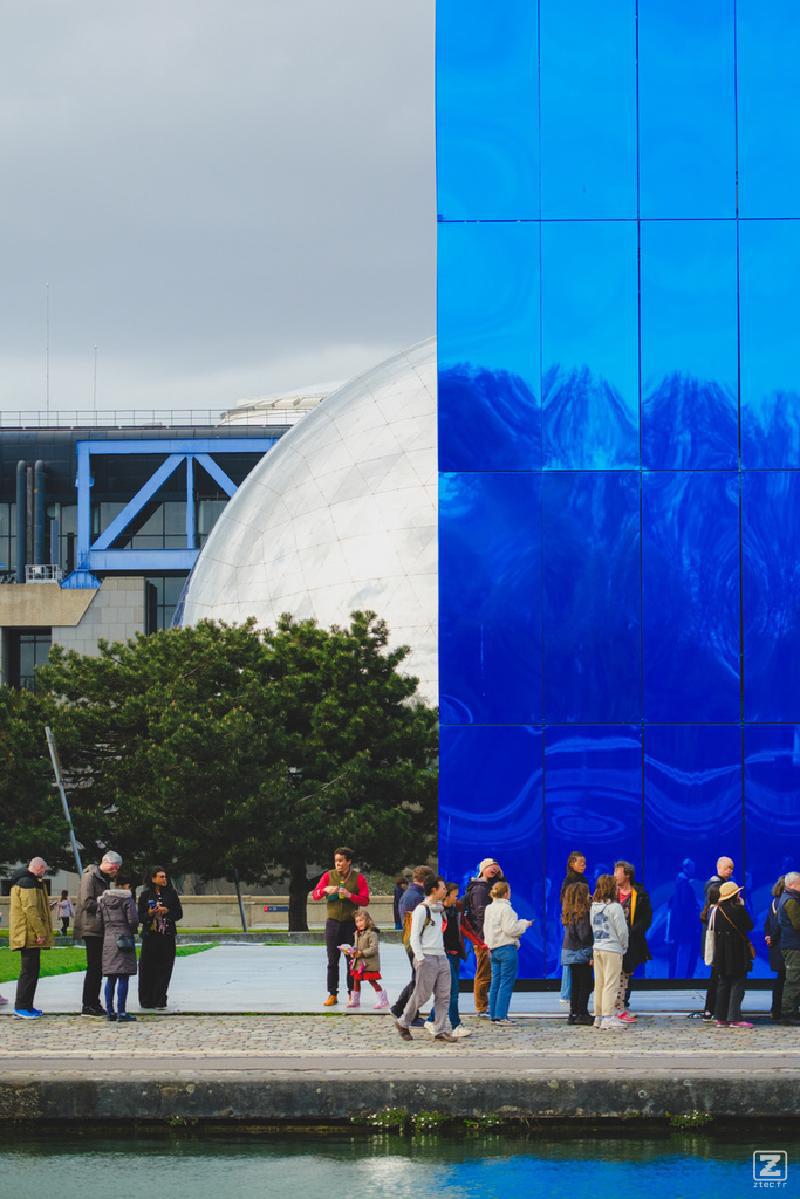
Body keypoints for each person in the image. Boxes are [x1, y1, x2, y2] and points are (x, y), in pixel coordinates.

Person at [395, 876, 456, 1043]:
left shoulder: (440, 909)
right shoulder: (422, 909)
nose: (445, 891)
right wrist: (420, 958)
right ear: (434, 890)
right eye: (443, 888)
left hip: (441, 957)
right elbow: (414, 936)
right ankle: (403, 1022)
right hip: (426, 957)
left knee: (444, 996)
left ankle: (440, 1030)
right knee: (422, 995)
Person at [311, 847, 370, 1007]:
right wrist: (325, 890)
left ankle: (352, 993)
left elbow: (365, 900)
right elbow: (315, 895)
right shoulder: (328, 876)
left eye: (341, 861)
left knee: (352, 960)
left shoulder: (358, 878)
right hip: (333, 923)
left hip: (351, 925)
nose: (337, 864)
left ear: (348, 862)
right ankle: (332, 993)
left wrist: (351, 895)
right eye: (336, 861)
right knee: (332, 960)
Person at [74, 851, 122, 1016]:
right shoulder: (90, 876)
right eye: (115, 867)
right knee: (94, 967)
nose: (115, 871)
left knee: (99, 968)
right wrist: (107, 903)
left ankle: (94, 1002)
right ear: (108, 864)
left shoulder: (102, 878)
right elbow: (87, 902)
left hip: (100, 928)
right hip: (91, 928)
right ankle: (88, 1004)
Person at [425, 881, 472, 1039]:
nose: (457, 898)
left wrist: (481, 944)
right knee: (453, 991)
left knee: (446, 992)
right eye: (455, 895)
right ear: (446, 895)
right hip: (444, 955)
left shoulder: (456, 910)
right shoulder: (437, 911)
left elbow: (465, 929)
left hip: (455, 954)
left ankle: (431, 1019)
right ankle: (456, 1025)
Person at [9, 857, 54, 1020]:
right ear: (39, 867)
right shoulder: (27, 883)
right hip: (27, 935)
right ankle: (21, 1007)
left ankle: (27, 1006)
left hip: (28, 933)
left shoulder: (29, 881)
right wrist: (40, 933)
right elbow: (30, 909)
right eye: (44, 870)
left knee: (32, 971)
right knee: (28, 972)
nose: (44, 872)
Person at [483, 880, 532, 1024]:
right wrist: (524, 924)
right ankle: (502, 1016)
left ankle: (494, 1015)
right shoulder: (506, 909)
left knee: (495, 983)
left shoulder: (489, 908)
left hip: (494, 949)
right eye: (509, 890)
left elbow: (487, 929)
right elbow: (511, 929)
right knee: (506, 983)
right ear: (505, 893)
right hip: (507, 949)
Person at [390, 864, 434, 1022]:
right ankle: (410, 1014)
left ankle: (399, 1008)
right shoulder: (415, 897)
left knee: (416, 978)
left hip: (411, 941)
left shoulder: (411, 894)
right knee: (417, 979)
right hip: (415, 943)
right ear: (425, 880)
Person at [137, 866, 183, 1012]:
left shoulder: (171, 894)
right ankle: (146, 999)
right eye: (161, 877)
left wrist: (167, 910)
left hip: (166, 936)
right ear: (153, 879)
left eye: (165, 876)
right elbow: (140, 916)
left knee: (165, 968)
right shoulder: (145, 895)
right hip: (151, 936)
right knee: (147, 968)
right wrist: (150, 913)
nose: (164, 879)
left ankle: (159, 998)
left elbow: (179, 913)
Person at [463, 858, 505, 1018]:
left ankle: (484, 1005)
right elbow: (481, 914)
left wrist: (501, 876)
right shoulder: (480, 889)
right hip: (483, 938)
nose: (494, 870)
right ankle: (481, 1006)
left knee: (486, 972)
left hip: (487, 936)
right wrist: (484, 938)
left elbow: (504, 890)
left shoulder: (487, 885)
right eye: (490, 867)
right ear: (482, 870)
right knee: (483, 972)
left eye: (496, 868)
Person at [712, 880, 755, 1028]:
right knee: (738, 982)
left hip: (721, 951)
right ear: (734, 895)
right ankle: (734, 1017)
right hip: (737, 950)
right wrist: (742, 906)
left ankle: (721, 1017)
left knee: (723, 983)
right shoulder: (738, 910)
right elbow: (750, 925)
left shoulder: (716, 910)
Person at [614, 860, 652, 1023]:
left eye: (617, 872)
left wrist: (633, 932)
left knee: (627, 973)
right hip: (613, 941)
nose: (615, 875)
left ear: (627, 875)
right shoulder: (611, 892)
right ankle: (614, 1006)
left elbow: (646, 917)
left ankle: (623, 1004)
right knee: (615, 975)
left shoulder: (640, 894)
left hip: (632, 941)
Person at [98, 873, 139, 1022]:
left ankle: (110, 1011)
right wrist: (132, 931)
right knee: (123, 975)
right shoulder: (127, 900)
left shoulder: (103, 901)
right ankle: (121, 1012)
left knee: (110, 977)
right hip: (124, 939)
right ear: (125, 885)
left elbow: (98, 920)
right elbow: (133, 920)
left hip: (108, 939)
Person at [590, 873, 628, 1031]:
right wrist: (624, 946)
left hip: (598, 947)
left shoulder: (594, 907)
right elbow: (622, 931)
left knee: (599, 983)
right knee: (611, 983)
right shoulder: (615, 907)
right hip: (612, 948)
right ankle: (608, 1017)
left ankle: (598, 1016)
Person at [341, 908, 388, 1009]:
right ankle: (355, 1000)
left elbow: (373, 949)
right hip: (358, 963)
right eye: (357, 921)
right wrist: (351, 951)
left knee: (372, 981)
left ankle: (383, 1000)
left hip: (369, 964)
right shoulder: (357, 933)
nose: (359, 923)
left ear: (367, 920)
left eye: (361, 920)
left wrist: (361, 953)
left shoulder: (372, 933)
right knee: (356, 981)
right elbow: (356, 946)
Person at [561, 881, 593, 1025]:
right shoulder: (583, 913)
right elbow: (584, 935)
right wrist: (591, 952)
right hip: (580, 952)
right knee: (585, 984)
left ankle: (573, 1013)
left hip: (569, 952)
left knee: (575, 984)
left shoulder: (569, 912)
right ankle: (582, 1013)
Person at [558, 852, 588, 1004]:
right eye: (581, 863)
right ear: (572, 863)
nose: (584, 866)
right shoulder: (570, 881)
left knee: (571, 953)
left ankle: (569, 992)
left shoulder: (581, 879)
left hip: (574, 917)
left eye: (585, 863)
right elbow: (566, 901)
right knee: (571, 953)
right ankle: (566, 993)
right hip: (573, 918)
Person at [777, 870, 800, 1025]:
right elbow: (797, 923)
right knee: (794, 980)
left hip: (791, 944)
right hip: (793, 946)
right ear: (792, 884)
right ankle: (788, 1013)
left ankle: (792, 1011)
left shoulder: (787, 898)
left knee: (794, 979)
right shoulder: (791, 901)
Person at [765, 876, 786, 1022]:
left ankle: (775, 1010)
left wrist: (768, 936)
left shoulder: (774, 901)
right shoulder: (785, 902)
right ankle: (779, 1010)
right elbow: (780, 924)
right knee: (784, 979)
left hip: (775, 945)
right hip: (782, 944)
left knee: (780, 978)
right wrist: (773, 937)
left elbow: (767, 923)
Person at [700, 885, 721, 1020]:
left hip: (713, 950)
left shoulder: (708, 910)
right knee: (717, 980)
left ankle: (709, 1009)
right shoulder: (716, 911)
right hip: (718, 950)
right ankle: (712, 1009)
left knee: (714, 979)